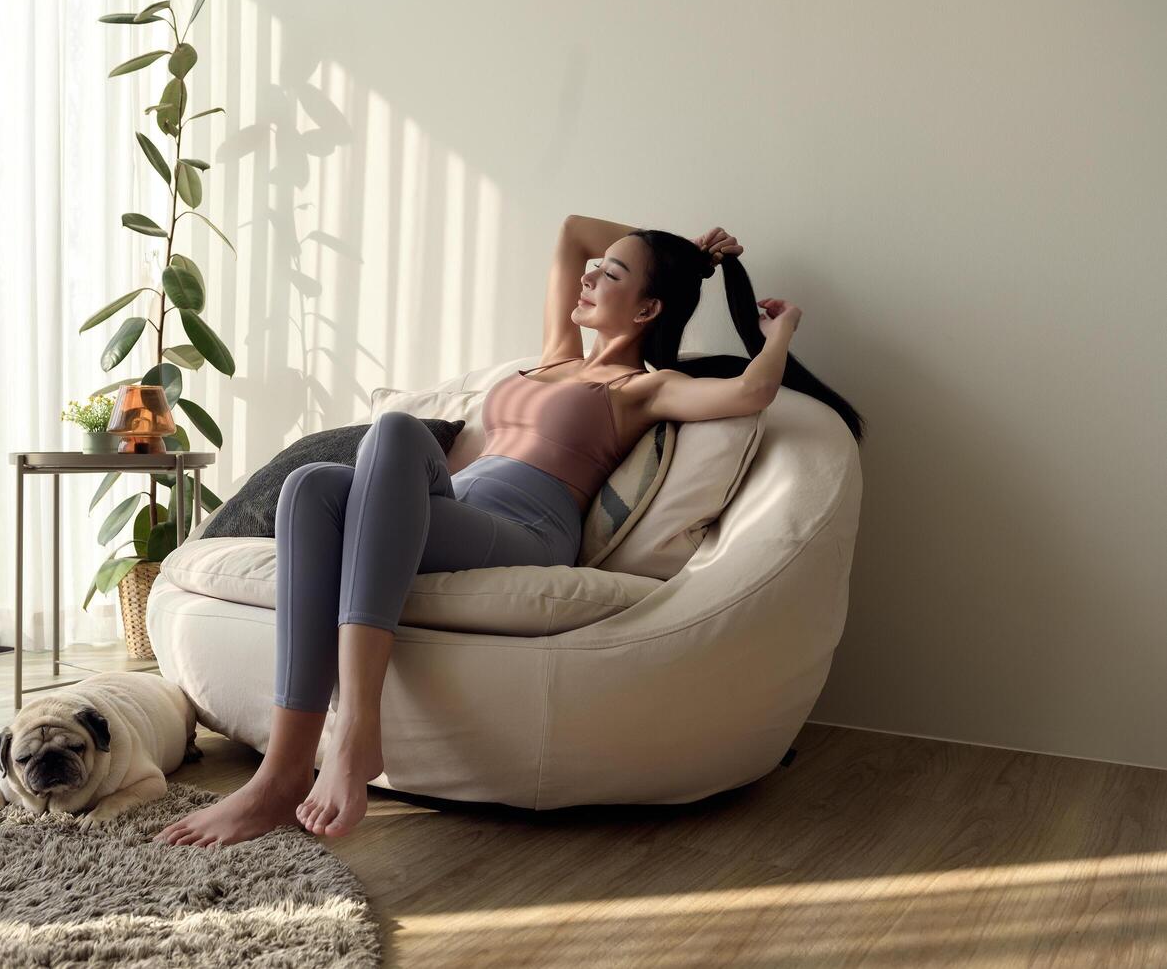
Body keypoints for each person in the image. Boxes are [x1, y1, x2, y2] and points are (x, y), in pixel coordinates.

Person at [154, 215, 866, 849]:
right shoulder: (555, 350)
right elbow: (572, 230)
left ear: (648, 307)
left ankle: (355, 736)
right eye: (596, 269)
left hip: (522, 527)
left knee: (397, 432)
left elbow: (751, 393)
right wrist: (685, 250)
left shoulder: (643, 387)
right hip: (449, 507)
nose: (589, 275)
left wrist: (782, 331)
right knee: (312, 487)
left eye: (612, 275)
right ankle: (282, 773)